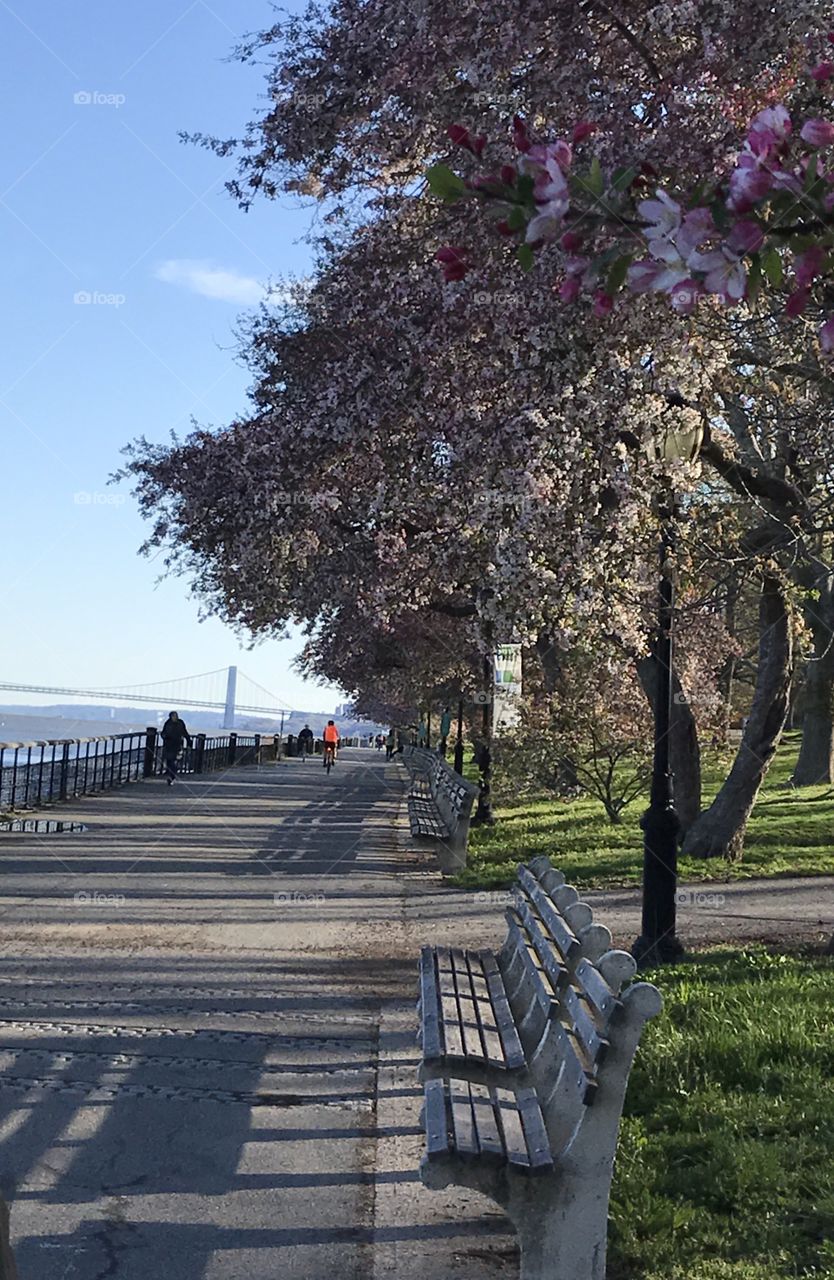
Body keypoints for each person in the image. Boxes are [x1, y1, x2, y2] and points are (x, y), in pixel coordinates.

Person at [160, 711, 192, 785]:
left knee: (174, 762)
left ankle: (171, 777)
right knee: (169, 762)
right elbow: (163, 733)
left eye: (176, 716)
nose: (175, 717)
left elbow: (185, 732)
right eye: (174, 716)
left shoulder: (180, 723)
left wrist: (189, 741)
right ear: (170, 717)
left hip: (178, 746)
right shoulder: (167, 723)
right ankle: (170, 775)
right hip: (169, 746)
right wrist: (165, 736)